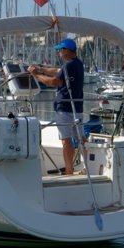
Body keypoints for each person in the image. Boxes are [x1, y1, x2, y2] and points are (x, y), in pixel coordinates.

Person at [27, 38, 85, 175]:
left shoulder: (68, 65)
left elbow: (54, 81)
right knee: (81, 140)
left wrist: (36, 74)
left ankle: (69, 171)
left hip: (64, 109)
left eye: (61, 49)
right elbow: (57, 71)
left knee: (66, 141)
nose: (59, 51)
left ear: (67, 50)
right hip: (78, 108)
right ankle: (86, 168)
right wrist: (41, 69)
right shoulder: (77, 64)